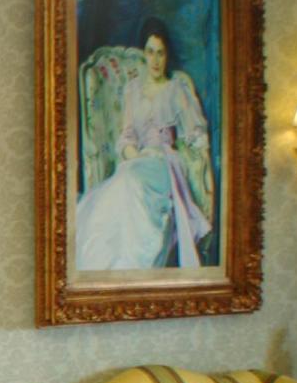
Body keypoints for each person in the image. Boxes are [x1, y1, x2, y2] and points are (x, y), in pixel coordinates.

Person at [75, 18, 214, 271]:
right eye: (150, 52)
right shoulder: (132, 90)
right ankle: (110, 263)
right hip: (137, 161)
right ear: (144, 54)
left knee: (133, 181)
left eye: (161, 53)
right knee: (124, 181)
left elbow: (195, 130)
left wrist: (193, 144)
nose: (155, 60)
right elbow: (127, 135)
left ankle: (138, 259)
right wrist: (132, 154)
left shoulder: (176, 89)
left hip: (164, 162)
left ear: (167, 55)